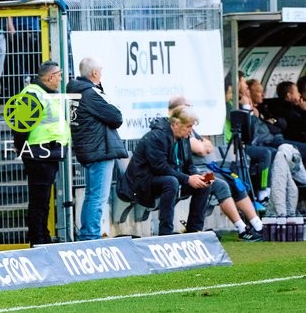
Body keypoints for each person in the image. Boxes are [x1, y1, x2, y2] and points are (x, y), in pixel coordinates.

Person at [167, 96, 264, 241]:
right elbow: (200, 149)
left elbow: (209, 146)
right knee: (221, 185)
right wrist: (202, 145)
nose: (190, 108)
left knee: (235, 181)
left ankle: (258, 225)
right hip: (197, 172)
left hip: (209, 169)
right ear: (177, 109)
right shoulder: (178, 129)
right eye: (187, 106)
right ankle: (242, 229)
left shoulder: (190, 129)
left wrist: (203, 144)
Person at [124, 105, 212, 236]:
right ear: (176, 123)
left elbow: (189, 164)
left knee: (204, 184)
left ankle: (194, 230)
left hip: (169, 178)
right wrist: (188, 179)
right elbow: (160, 167)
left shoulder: (184, 138)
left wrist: (197, 176)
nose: (191, 131)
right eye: (188, 126)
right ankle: (166, 233)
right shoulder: (156, 137)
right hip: (143, 182)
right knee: (171, 182)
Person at [66, 57, 127, 241]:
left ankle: (87, 234)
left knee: (91, 196)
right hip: (100, 150)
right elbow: (116, 117)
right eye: (100, 70)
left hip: (90, 149)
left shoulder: (76, 92)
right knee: (98, 198)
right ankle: (91, 237)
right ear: (94, 73)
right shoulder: (91, 93)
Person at [15, 61, 69, 245]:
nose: (61, 79)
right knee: (39, 200)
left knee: (43, 200)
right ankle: (38, 240)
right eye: (59, 75)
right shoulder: (33, 94)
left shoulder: (44, 94)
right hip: (38, 153)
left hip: (46, 153)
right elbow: (20, 126)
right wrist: (24, 151)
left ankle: (42, 236)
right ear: (50, 77)